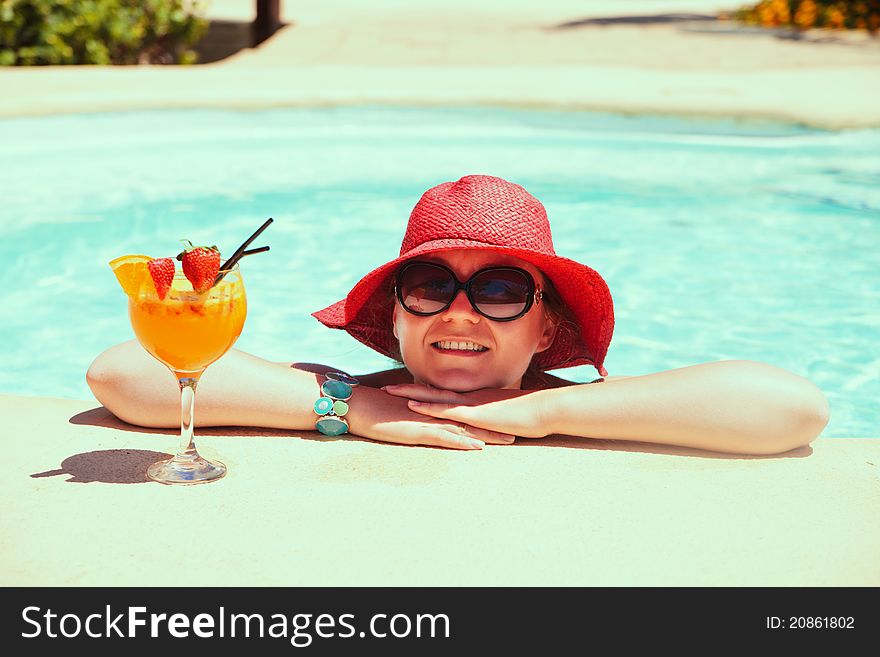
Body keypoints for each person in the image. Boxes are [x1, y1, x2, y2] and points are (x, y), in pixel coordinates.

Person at [87, 175, 830, 455]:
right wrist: (361, 411)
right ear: (398, 317)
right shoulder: (351, 387)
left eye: (503, 289)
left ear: (546, 327)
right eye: (431, 285)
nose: (463, 311)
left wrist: (541, 414)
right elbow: (120, 371)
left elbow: (795, 408)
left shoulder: (577, 404)